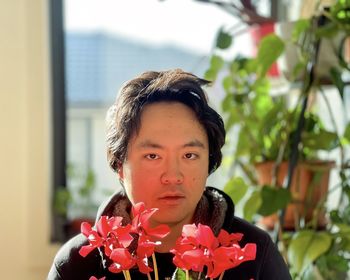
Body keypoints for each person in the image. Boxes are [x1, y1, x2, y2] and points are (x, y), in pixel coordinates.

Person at [48, 69, 292, 279]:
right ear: (120, 165)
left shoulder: (256, 254)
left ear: (209, 162)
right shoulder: (75, 265)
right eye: (153, 156)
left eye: (189, 156)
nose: (173, 176)